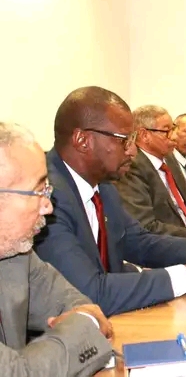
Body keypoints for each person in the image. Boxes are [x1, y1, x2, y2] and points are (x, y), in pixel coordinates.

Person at [34, 87, 186, 316]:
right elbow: (90, 293)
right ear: (83, 140)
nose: (132, 151)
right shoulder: (44, 196)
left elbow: (139, 242)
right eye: (125, 140)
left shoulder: (103, 186)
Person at [0, 121, 113, 375]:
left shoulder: (16, 254)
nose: (48, 207)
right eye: (38, 191)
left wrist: (82, 323)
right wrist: (85, 326)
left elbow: (74, 304)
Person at [115, 105, 186, 238]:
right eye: (167, 131)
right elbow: (147, 226)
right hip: (171, 243)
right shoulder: (131, 168)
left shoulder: (170, 159)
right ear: (144, 135)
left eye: (173, 129)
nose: (174, 136)